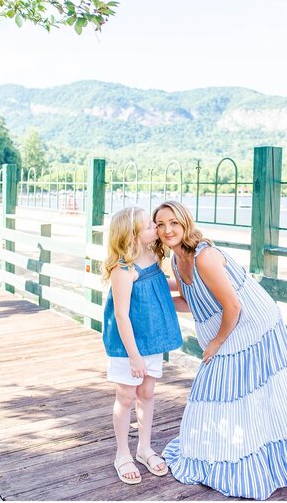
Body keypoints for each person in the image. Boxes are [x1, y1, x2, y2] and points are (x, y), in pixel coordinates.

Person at [153, 201, 287, 500]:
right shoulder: (177, 262)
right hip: (229, 326)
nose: (167, 230)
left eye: (174, 223)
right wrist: (151, 295)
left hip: (253, 326)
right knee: (221, 393)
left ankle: (259, 462)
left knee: (246, 393)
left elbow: (233, 306)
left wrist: (215, 343)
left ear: (185, 223)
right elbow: (192, 303)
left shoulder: (205, 257)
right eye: (161, 224)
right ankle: (226, 451)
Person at [102, 206, 182, 485]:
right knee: (125, 395)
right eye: (150, 225)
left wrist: (188, 285)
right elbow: (121, 315)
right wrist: (134, 357)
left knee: (147, 392)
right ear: (133, 235)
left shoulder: (152, 254)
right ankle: (122, 453)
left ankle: (144, 447)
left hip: (152, 340)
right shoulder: (123, 269)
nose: (156, 229)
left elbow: (160, 284)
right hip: (129, 346)